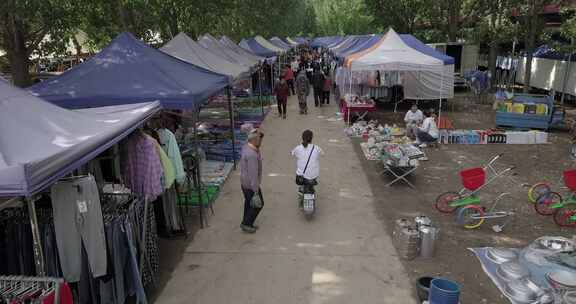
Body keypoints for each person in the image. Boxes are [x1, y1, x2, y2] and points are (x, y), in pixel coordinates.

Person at [291, 130, 324, 208]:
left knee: (301, 186)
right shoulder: (316, 148)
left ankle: (301, 199)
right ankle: (311, 194)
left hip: (301, 177)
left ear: (302, 138)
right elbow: (323, 153)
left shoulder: (298, 148)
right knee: (312, 177)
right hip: (313, 176)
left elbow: (292, 153)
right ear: (312, 138)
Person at [240, 129, 265, 233]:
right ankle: (246, 224)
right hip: (250, 185)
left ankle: (246, 221)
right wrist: (255, 190)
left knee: (249, 203)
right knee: (259, 204)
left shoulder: (248, 148)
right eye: (259, 140)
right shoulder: (252, 155)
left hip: (244, 183)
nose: (261, 142)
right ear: (254, 140)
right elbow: (253, 174)